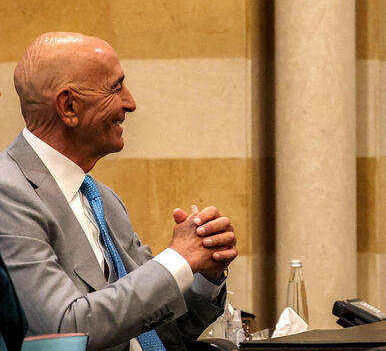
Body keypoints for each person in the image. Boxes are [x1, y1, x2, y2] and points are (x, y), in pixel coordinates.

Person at [0, 32, 237, 351]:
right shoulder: (8, 194)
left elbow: (161, 330)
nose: (131, 102)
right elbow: (63, 333)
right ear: (69, 105)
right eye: (115, 87)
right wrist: (178, 259)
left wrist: (204, 274)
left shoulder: (102, 199)